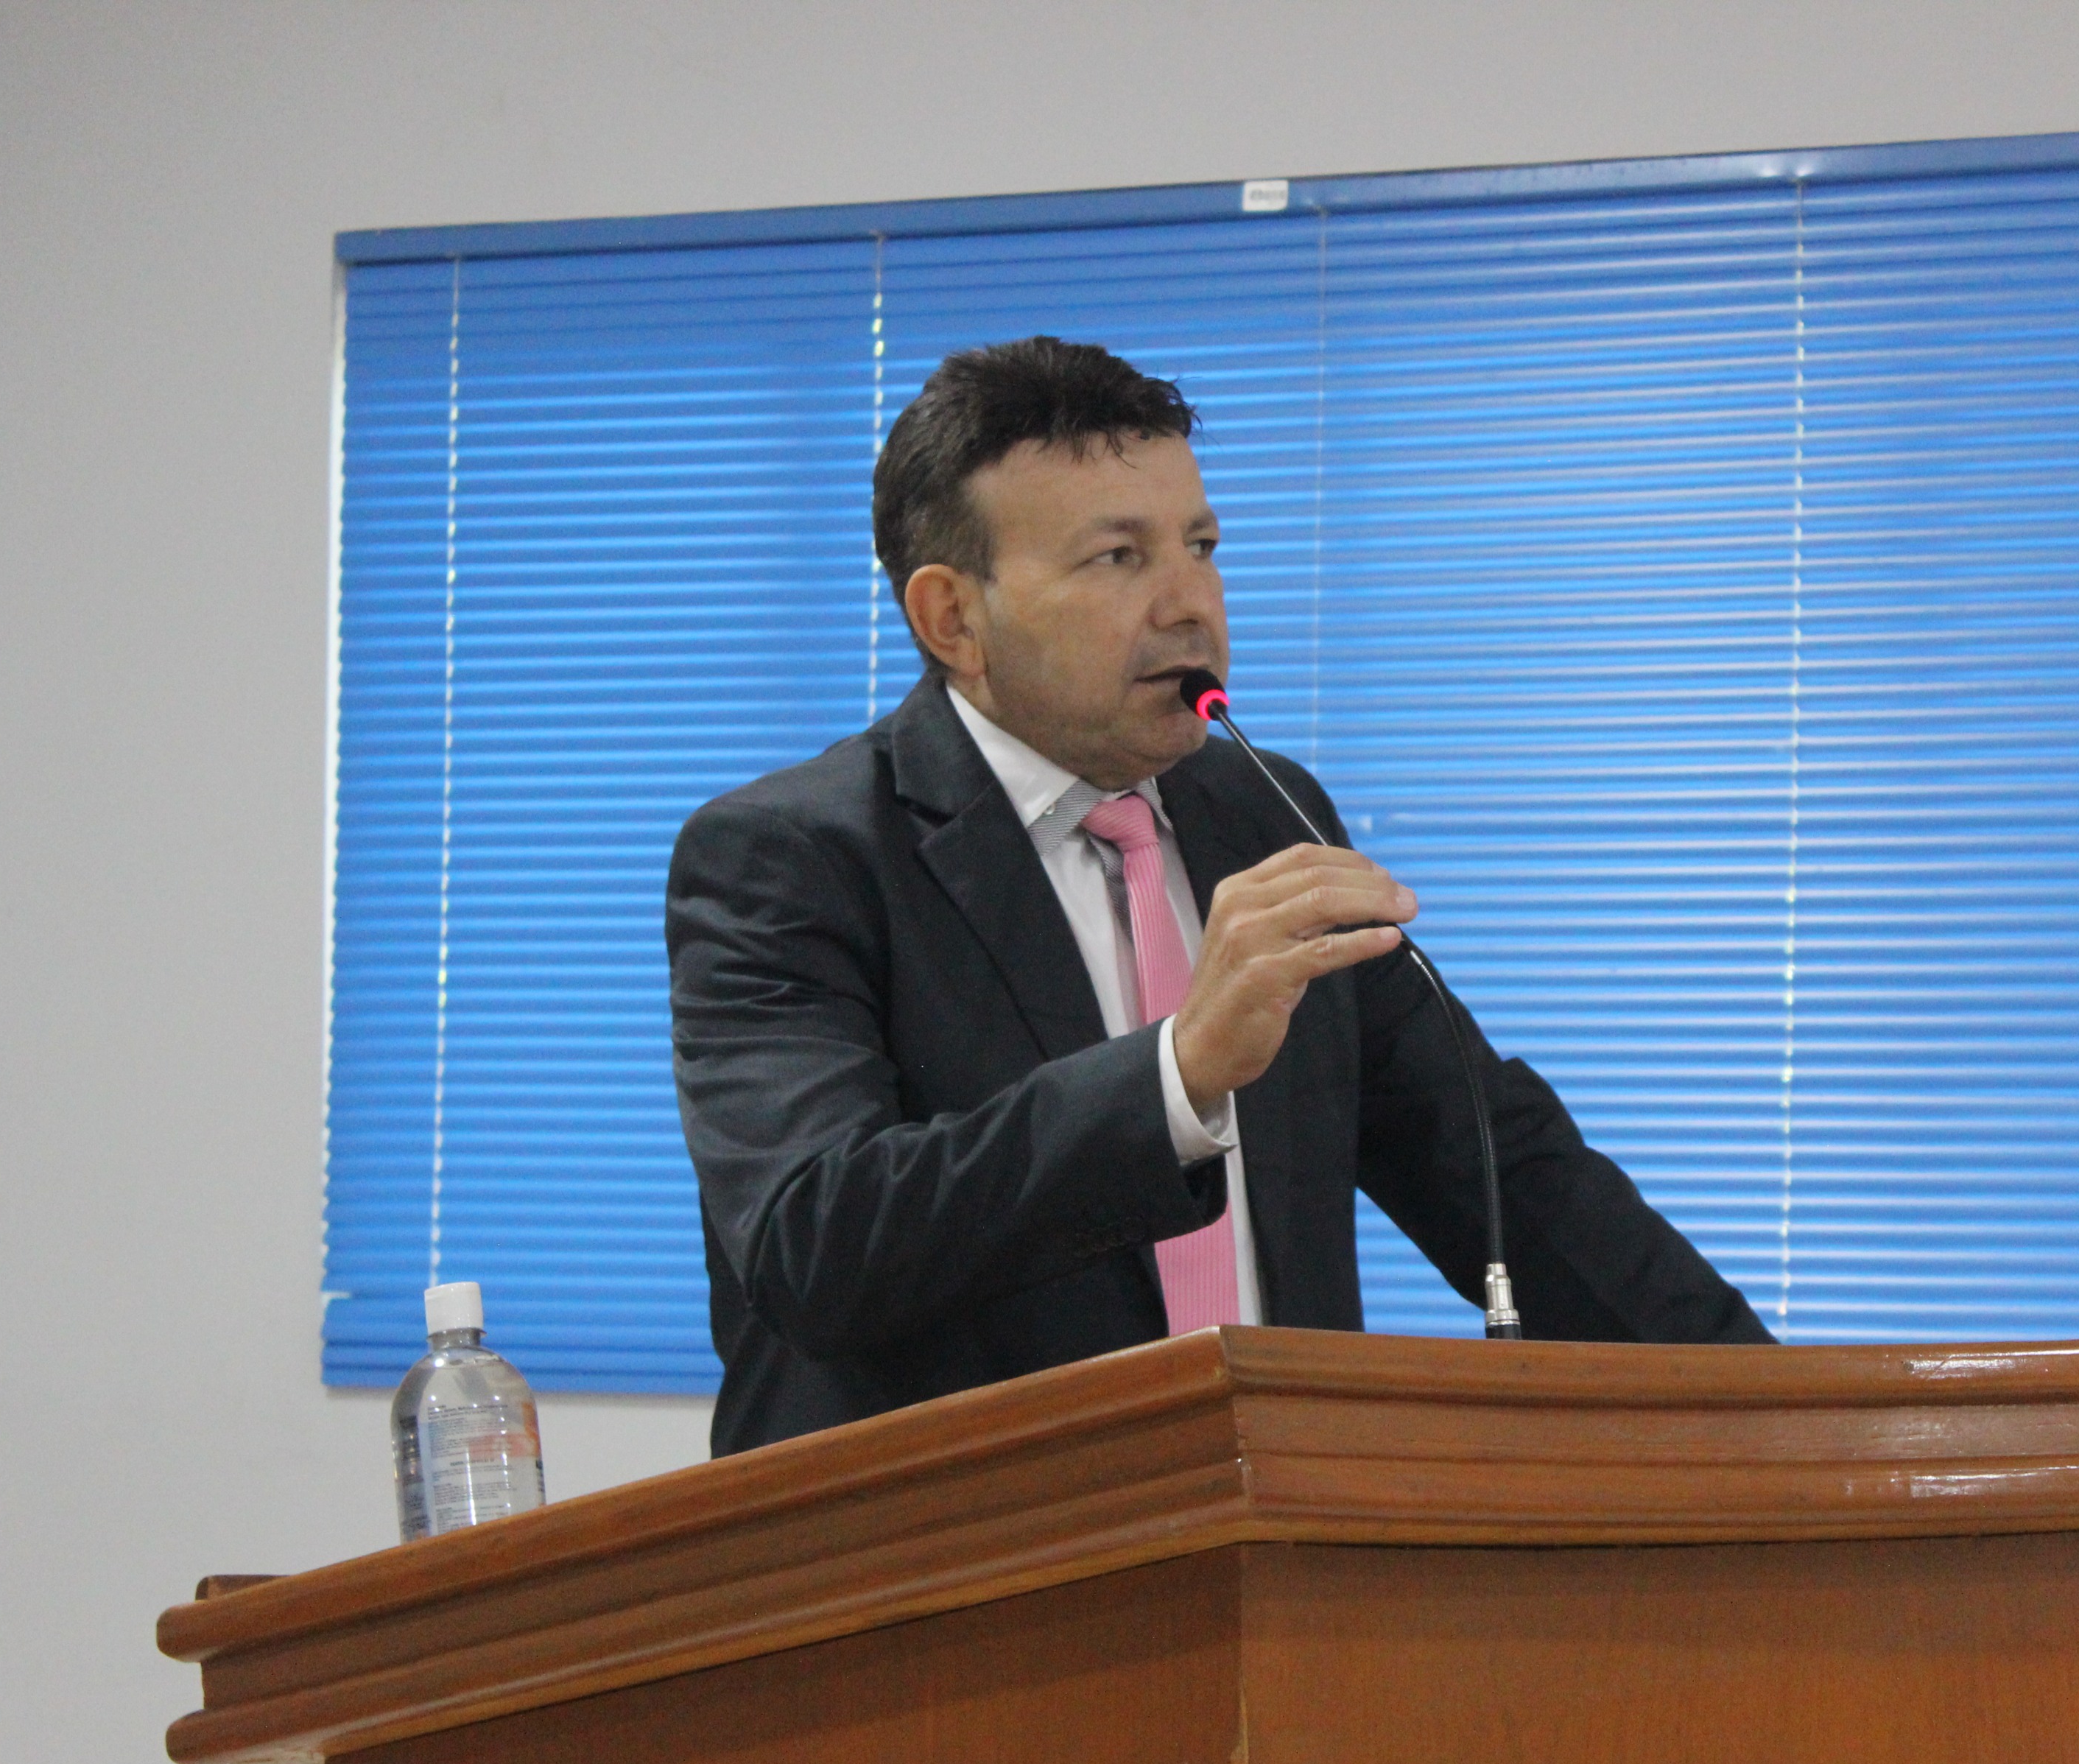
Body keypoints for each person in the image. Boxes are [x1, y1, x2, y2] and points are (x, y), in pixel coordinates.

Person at [666, 336, 1773, 1455]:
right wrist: (1176, 1075)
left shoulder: (1267, 813)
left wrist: (1777, 1416)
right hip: (956, 1542)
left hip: (1269, 1529)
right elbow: (817, 1244)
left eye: (1201, 546)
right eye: (1118, 557)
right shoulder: (792, 855)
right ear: (953, 617)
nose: (1190, 602)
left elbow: (1505, 1178)